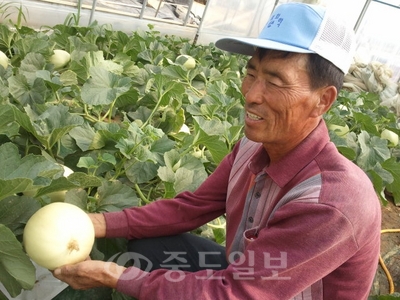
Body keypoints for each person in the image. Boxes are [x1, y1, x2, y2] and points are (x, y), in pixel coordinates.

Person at [53, 2, 381, 299]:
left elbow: (238, 295)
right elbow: (192, 208)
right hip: (249, 274)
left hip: (258, 292)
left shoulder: (334, 202)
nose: (252, 94)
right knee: (151, 248)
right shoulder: (254, 147)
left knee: (141, 274)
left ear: (323, 100)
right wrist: (97, 223)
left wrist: (118, 277)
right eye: (251, 73)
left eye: (276, 82)